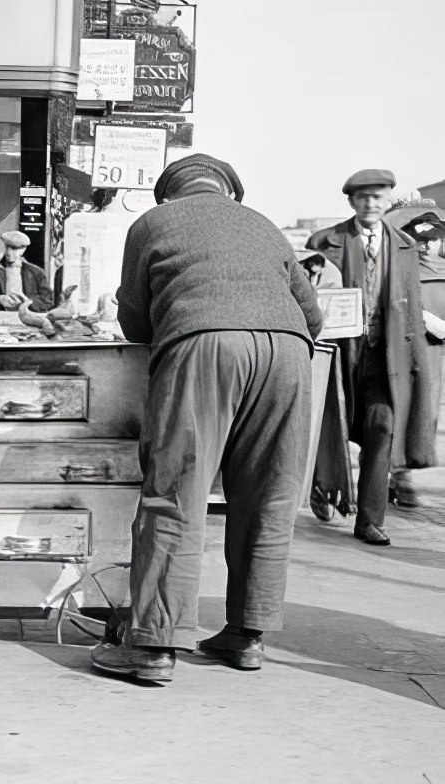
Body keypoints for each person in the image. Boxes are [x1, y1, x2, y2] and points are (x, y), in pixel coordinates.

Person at [90, 153, 323, 685]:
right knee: (269, 495)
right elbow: (312, 314)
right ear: (229, 193)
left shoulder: (151, 223)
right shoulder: (263, 225)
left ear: (169, 194)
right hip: (289, 353)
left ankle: (153, 646)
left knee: (177, 492)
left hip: (204, 345)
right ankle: (247, 635)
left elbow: (133, 322)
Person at [306, 171, 436, 545]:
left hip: (385, 358)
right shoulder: (325, 242)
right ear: (351, 202)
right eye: (364, 198)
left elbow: (411, 308)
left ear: (388, 200)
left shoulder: (406, 246)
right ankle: (322, 485)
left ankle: (369, 520)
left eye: (379, 198)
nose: (371, 205)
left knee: (382, 428)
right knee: (329, 426)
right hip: (339, 355)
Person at [0, 230, 53, 311]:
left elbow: (48, 301)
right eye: (7, 247)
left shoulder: (36, 273)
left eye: (14, 248)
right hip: (1, 319)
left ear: (23, 250)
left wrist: (28, 302)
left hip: (27, 318)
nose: (9, 252)